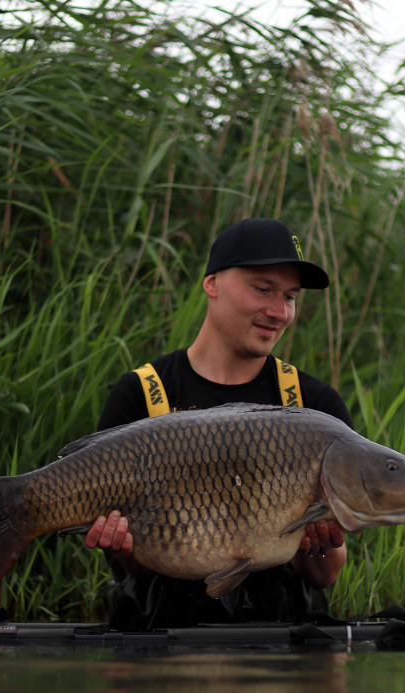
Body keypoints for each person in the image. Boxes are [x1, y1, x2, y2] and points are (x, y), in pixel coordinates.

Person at [85, 218, 353, 629]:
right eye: (262, 289)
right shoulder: (141, 393)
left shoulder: (314, 407)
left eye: (290, 296)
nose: (279, 312)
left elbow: (326, 575)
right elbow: (132, 570)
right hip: (160, 637)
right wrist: (122, 549)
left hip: (278, 647)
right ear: (212, 283)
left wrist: (317, 548)